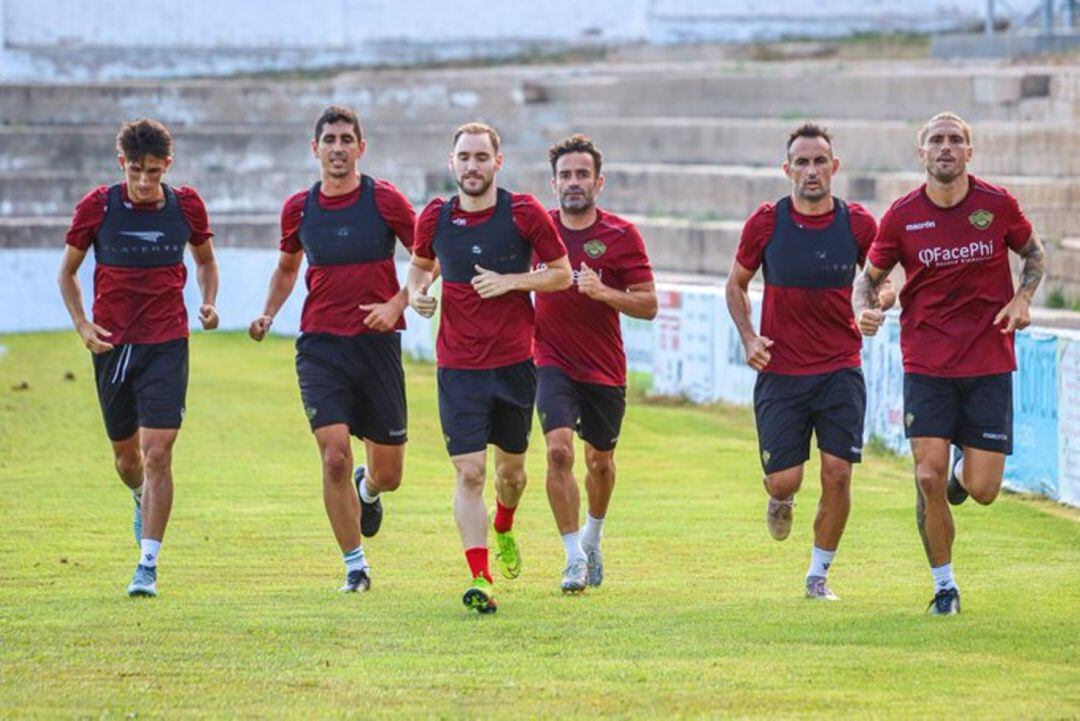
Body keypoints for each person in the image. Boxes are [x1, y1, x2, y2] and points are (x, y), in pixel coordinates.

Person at [854, 111, 1044, 615]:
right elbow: (870, 277)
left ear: (969, 152)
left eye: (955, 140)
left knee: (981, 490)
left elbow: (1035, 256)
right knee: (926, 477)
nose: (946, 147)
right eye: (936, 140)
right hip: (927, 363)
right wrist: (867, 310)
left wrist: (1023, 298)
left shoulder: (997, 205)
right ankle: (945, 588)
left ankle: (963, 475)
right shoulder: (901, 215)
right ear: (922, 154)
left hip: (987, 361)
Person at [248, 106, 416, 593]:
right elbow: (286, 268)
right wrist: (268, 313)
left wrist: (397, 302)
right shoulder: (299, 208)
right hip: (321, 346)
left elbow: (428, 255)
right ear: (314, 148)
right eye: (330, 140)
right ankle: (355, 566)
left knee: (390, 473)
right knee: (334, 457)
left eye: (347, 139)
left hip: (377, 346)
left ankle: (368, 490)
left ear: (361, 148)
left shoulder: (384, 200)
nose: (338, 148)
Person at [408, 122, 572, 613]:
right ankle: (481, 579)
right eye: (464, 157)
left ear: (497, 162)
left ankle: (503, 523)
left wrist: (512, 282)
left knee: (511, 476)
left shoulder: (524, 213)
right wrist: (418, 293)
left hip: (515, 364)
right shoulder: (435, 217)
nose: (473, 166)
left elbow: (562, 273)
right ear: (452, 162)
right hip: (457, 367)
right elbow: (419, 265)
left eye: (482, 157)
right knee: (471, 473)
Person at [725, 123, 892, 601]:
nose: (811, 170)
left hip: (840, 368)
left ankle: (818, 574)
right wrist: (749, 336)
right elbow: (735, 284)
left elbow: (882, 282)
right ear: (787, 170)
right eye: (802, 162)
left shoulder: (858, 224)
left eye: (820, 161)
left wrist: (876, 305)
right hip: (780, 371)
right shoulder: (766, 223)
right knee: (785, 478)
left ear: (834, 167)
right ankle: (780, 498)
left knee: (838, 472)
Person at [58, 118, 219, 597]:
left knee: (157, 453)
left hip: (168, 342)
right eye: (135, 170)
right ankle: (137, 497)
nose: (145, 181)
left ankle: (147, 563)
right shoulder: (98, 206)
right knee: (128, 460)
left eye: (153, 171)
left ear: (167, 166)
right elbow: (67, 273)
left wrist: (208, 301)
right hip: (113, 346)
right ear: (121, 163)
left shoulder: (186, 205)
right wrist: (83, 325)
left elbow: (206, 260)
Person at [536, 134, 657, 594]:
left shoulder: (622, 235)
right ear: (553, 184)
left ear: (598, 182)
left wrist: (603, 292)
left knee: (600, 463)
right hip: (550, 359)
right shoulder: (540, 229)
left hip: (604, 367)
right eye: (565, 175)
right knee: (559, 452)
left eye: (582, 174)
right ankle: (571, 559)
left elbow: (649, 305)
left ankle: (592, 538)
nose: (573, 182)